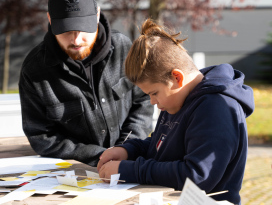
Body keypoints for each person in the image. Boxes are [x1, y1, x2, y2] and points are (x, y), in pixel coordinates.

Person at [97, 18, 254, 204]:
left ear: (177, 77)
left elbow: (197, 176)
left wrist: (129, 170)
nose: (152, 102)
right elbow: (161, 147)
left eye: (154, 93)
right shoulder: (177, 98)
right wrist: (129, 151)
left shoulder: (216, 107)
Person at [18, 0, 154, 167]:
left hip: (132, 160)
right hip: (76, 171)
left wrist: (126, 148)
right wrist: (99, 156)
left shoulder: (124, 48)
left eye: (83, 28)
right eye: (66, 30)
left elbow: (143, 101)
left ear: (97, 15)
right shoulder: (34, 70)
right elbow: (41, 136)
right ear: (50, 19)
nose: (76, 39)